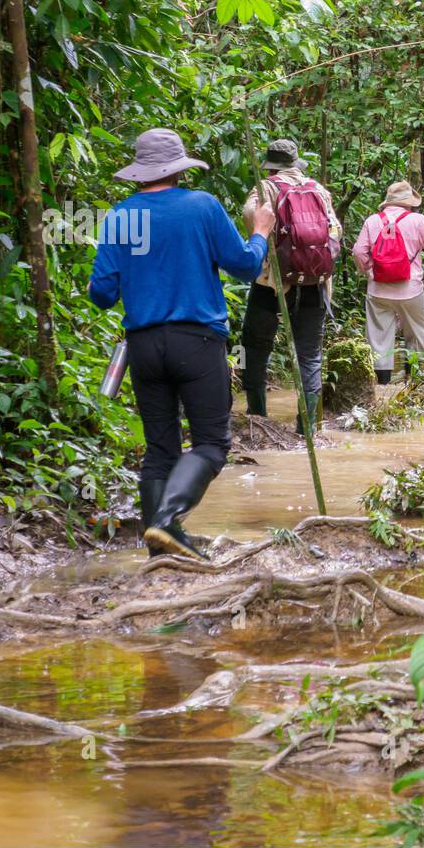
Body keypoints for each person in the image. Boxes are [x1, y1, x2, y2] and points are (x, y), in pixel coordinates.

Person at [90, 127, 273, 560]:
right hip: (198, 341)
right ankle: (166, 521)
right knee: (211, 443)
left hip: (144, 346)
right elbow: (246, 266)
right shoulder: (202, 207)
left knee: (160, 450)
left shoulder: (122, 217)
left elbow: (101, 293)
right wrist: (261, 230)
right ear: (179, 170)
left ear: (139, 174)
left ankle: (163, 554)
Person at [238, 138, 342, 432]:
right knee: (310, 354)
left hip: (271, 283)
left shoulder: (265, 188)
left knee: (255, 347)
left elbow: (251, 217)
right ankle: (308, 426)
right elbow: (335, 231)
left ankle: (257, 418)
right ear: (295, 163)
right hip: (315, 285)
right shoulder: (319, 190)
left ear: (271, 165)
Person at [351, 181, 424, 384]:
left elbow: (358, 252)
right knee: (416, 335)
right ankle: (414, 384)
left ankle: (382, 386)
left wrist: (370, 272)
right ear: (409, 203)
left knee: (379, 338)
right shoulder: (417, 220)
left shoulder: (372, 221)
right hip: (411, 290)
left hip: (378, 290)